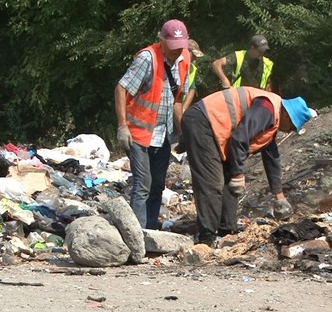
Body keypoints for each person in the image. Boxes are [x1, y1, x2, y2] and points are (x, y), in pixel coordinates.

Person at [180, 86, 317, 246]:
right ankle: (206, 238)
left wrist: (279, 195)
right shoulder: (267, 108)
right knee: (212, 182)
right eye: (292, 126)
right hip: (202, 121)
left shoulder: (273, 119)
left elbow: (272, 158)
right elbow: (239, 138)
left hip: (214, 126)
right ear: (287, 115)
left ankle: (226, 231)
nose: (289, 131)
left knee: (229, 180)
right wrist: (238, 173)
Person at [114, 19, 191, 229]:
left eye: (180, 47)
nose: (177, 52)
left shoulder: (185, 60)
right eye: (173, 47)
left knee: (158, 184)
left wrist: (183, 131)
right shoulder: (147, 59)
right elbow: (121, 88)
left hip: (163, 134)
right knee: (143, 184)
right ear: (162, 40)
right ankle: (136, 234)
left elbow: (177, 100)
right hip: (138, 133)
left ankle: (150, 228)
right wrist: (122, 126)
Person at [182, 39, 205, 111]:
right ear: (186, 51)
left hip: (179, 106)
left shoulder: (191, 68)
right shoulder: (173, 64)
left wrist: (184, 108)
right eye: (194, 55)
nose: (195, 58)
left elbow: (192, 88)